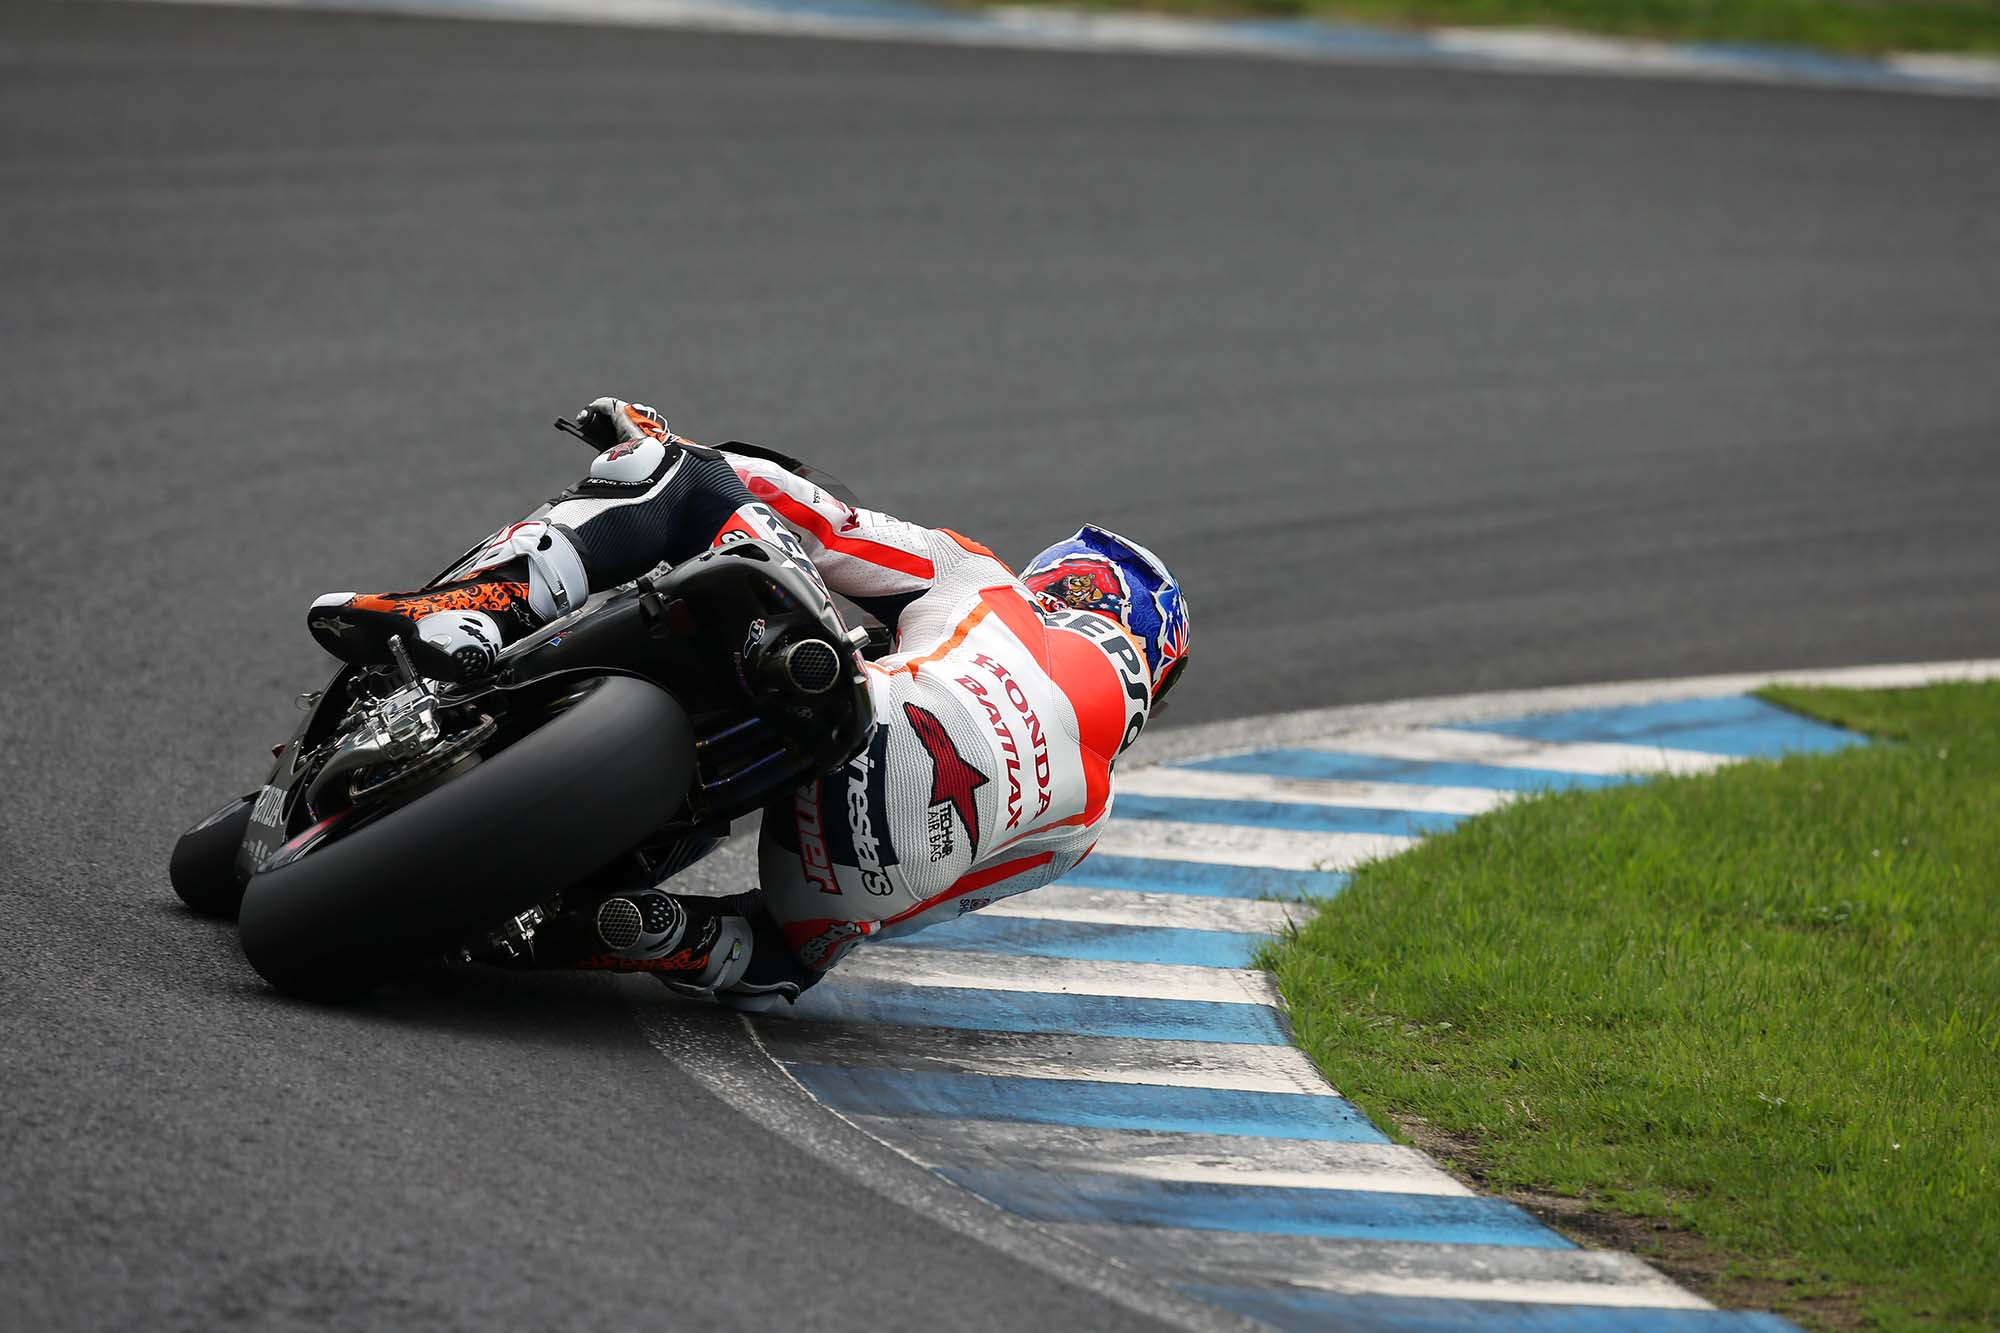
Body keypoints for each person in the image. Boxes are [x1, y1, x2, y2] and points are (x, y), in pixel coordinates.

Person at [307, 398, 1190, 1005]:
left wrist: (668, 441)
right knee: (785, 957)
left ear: (1064, 582)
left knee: (678, 476)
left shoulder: (991, 581)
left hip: (867, 714)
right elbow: (924, 904)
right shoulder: (1087, 819)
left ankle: (475, 616)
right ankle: (641, 932)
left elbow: (823, 523)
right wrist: (817, 937)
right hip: (859, 873)